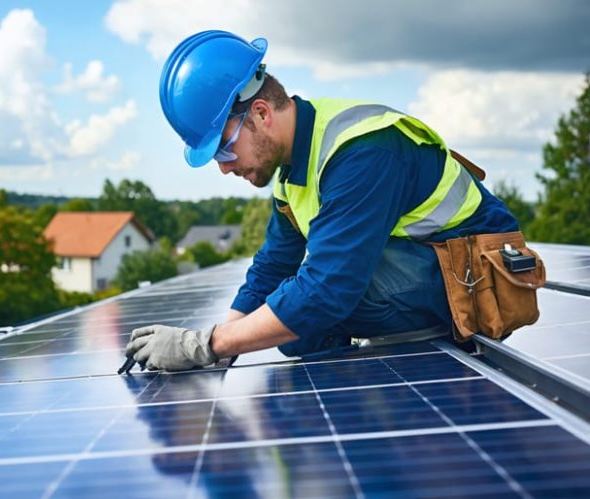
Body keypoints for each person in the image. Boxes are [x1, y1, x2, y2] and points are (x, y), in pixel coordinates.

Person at [125, 30, 518, 371]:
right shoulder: (291, 171)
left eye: (224, 150)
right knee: (290, 325)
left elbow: (329, 288)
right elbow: (272, 266)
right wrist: (224, 345)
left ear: (261, 114)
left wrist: (206, 346)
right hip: (419, 271)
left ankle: (422, 346)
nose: (225, 169)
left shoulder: (362, 151)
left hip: (471, 280)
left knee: (310, 307)